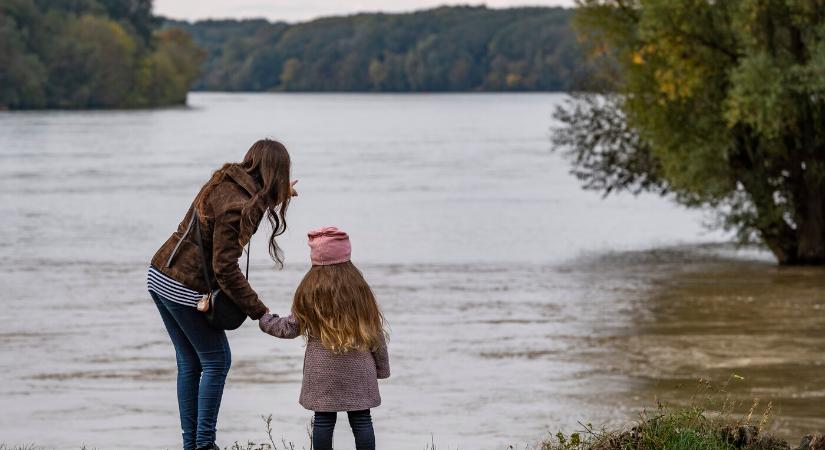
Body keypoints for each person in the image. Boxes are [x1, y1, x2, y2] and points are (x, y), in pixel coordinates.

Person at [147, 138, 297, 450]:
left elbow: (230, 216)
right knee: (217, 361)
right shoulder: (240, 206)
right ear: (276, 172)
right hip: (183, 284)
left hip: (160, 274)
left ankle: (193, 445)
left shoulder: (224, 180)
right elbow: (225, 267)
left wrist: (275, 195)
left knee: (190, 362)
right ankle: (204, 444)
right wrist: (260, 311)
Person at [258, 227, 390, 450]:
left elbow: (290, 328)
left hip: (322, 372)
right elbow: (375, 332)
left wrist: (264, 319)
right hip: (359, 369)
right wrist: (382, 368)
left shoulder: (310, 289)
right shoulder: (359, 288)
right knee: (361, 420)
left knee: (323, 421)